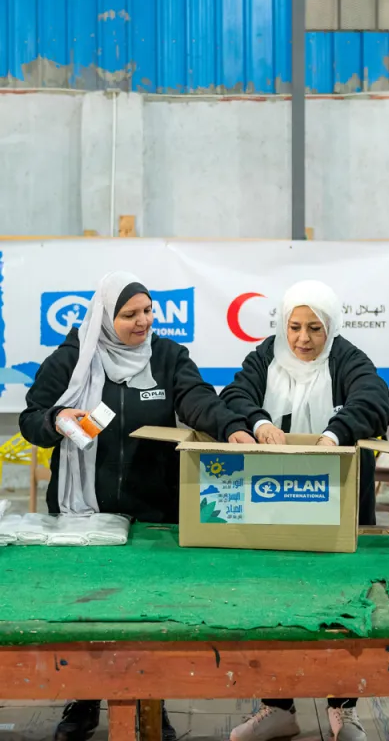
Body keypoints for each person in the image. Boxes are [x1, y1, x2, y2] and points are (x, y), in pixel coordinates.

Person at [20, 271, 254, 741]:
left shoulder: (168, 358)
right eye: (130, 314)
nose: (144, 321)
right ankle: (83, 701)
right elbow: (31, 418)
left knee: (147, 616)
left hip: (153, 512)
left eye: (148, 311)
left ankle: (151, 705)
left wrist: (232, 428)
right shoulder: (72, 359)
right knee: (84, 612)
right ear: (107, 317)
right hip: (84, 512)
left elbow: (197, 400)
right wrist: (56, 419)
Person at [221, 280, 389, 741]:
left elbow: (375, 401)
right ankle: (277, 707)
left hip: (336, 500)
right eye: (295, 327)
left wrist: (334, 436)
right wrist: (257, 422)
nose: (302, 339)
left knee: (341, 601)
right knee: (273, 599)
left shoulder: (347, 358)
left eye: (314, 328)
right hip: (274, 501)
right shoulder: (265, 357)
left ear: (330, 326)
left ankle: (343, 710)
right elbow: (234, 397)